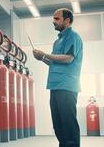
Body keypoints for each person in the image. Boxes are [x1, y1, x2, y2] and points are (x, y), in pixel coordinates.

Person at [33, 8, 83, 147]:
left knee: (68, 124)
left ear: (67, 21)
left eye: (57, 19)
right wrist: (41, 57)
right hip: (55, 86)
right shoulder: (57, 41)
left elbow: (68, 58)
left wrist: (46, 54)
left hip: (67, 86)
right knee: (58, 124)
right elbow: (54, 62)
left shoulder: (73, 36)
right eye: (53, 18)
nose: (53, 21)